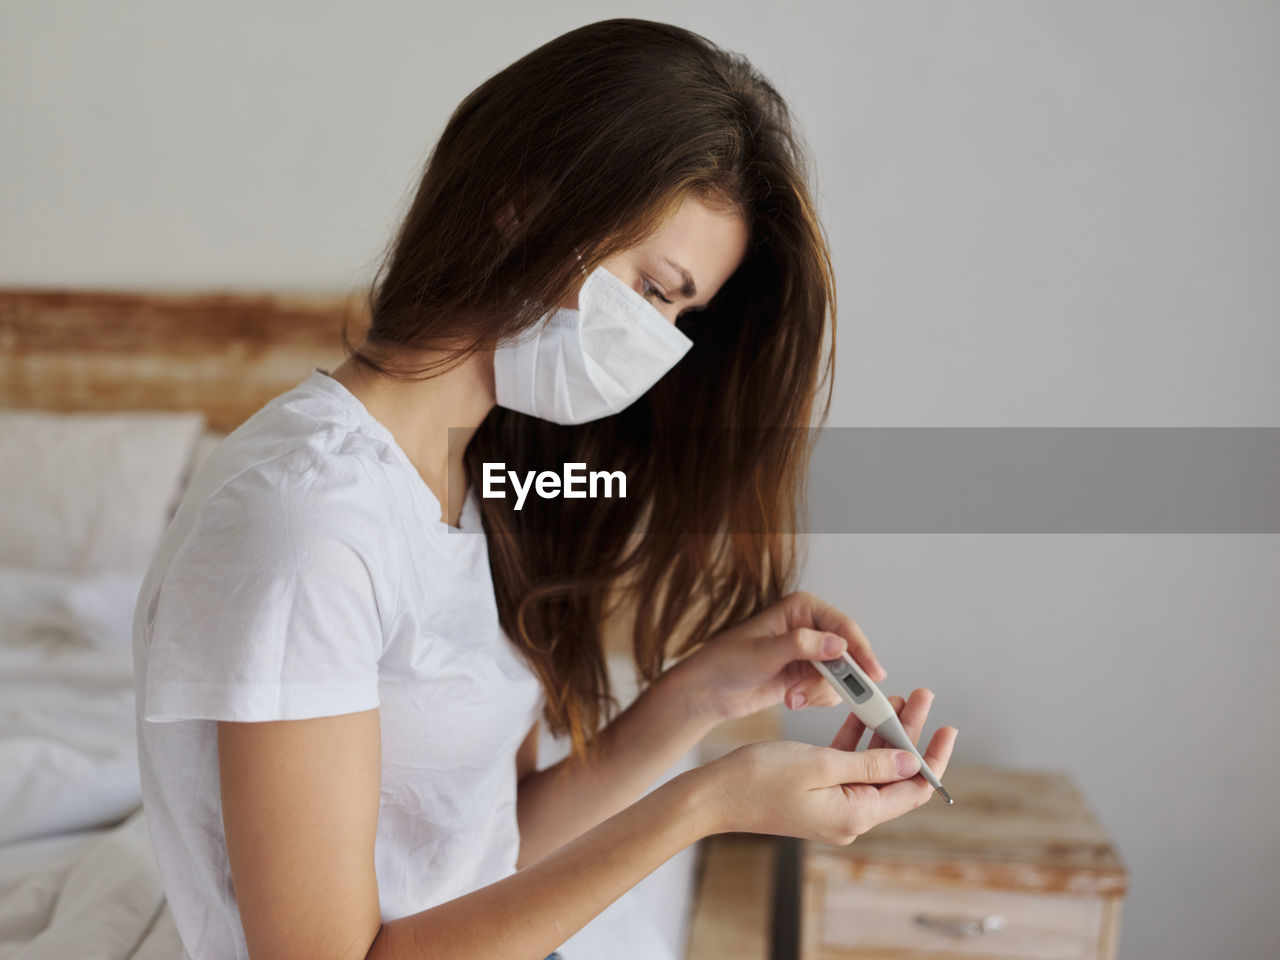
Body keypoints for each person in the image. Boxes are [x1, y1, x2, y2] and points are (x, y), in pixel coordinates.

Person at [132, 17, 957, 960]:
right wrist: (710, 801)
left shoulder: (472, 480)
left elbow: (487, 844)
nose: (659, 345)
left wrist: (697, 698)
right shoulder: (304, 521)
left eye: (682, 314)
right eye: (654, 289)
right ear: (524, 205)